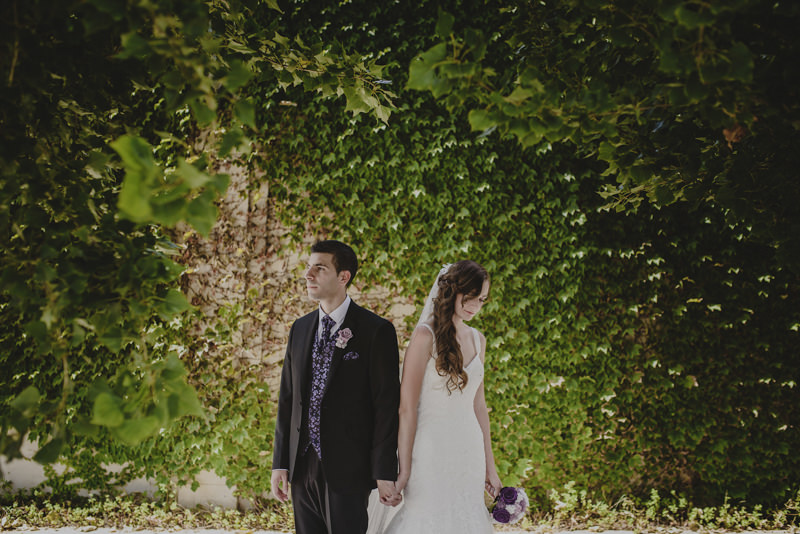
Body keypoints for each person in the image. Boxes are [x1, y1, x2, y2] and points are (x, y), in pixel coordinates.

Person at [271, 240, 402, 534]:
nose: (308, 274)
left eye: (319, 268)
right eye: (308, 267)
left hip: (349, 467)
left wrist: (383, 471)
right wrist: (280, 462)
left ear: (344, 277)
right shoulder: (300, 328)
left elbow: (385, 406)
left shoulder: (376, 331)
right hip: (303, 465)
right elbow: (288, 399)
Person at [379, 260, 502, 533]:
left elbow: (479, 407)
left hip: (469, 452)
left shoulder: (478, 340)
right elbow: (406, 408)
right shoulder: (425, 336)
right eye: (470, 297)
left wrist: (490, 467)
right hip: (430, 451)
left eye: (482, 300)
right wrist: (405, 469)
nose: (475, 306)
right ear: (452, 291)